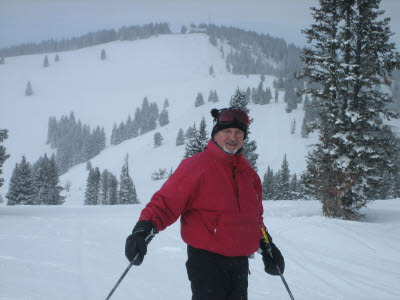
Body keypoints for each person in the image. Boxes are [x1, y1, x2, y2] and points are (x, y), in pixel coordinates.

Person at [125, 107, 285, 300]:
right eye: (227, 131)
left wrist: (267, 245)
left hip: (240, 263)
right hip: (207, 263)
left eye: (239, 133)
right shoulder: (196, 166)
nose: (233, 137)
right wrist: (142, 230)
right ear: (216, 134)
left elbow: (254, 218)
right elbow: (165, 203)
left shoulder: (248, 174)